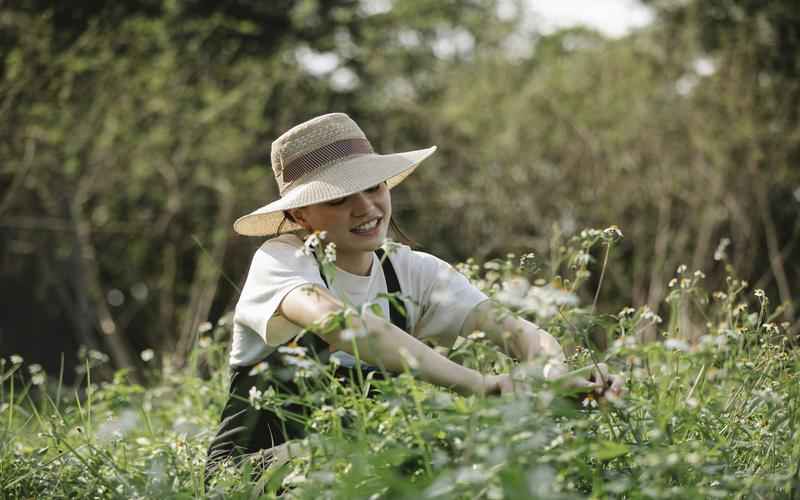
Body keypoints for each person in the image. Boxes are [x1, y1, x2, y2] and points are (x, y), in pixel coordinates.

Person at [205, 112, 624, 482]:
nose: (366, 207)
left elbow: (514, 331)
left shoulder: (410, 271)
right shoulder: (282, 259)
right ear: (299, 215)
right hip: (252, 471)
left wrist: (554, 376)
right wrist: (481, 386)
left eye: (374, 188)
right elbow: (341, 325)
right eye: (339, 198)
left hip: (367, 466)